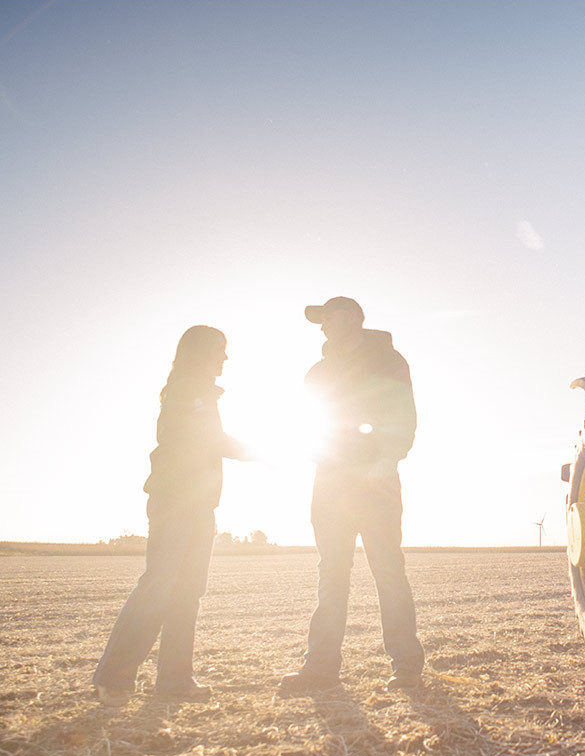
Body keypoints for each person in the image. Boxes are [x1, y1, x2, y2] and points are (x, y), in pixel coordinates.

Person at [92, 325, 246, 706]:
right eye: (219, 350)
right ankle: (114, 678)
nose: (225, 358)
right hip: (176, 501)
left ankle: (175, 680)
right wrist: (266, 452)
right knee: (159, 585)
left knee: (187, 593)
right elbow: (207, 441)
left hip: (199, 505)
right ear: (200, 352)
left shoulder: (202, 394)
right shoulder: (187, 391)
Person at [279, 296, 424, 695]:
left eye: (328, 317)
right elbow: (307, 422)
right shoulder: (317, 373)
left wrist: (383, 463)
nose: (323, 326)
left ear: (352, 319)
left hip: (375, 483)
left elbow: (403, 418)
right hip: (330, 484)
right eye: (320, 320)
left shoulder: (389, 362)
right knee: (332, 575)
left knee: (388, 572)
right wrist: (320, 457)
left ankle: (406, 667)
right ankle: (320, 669)